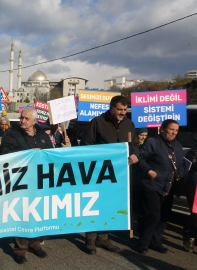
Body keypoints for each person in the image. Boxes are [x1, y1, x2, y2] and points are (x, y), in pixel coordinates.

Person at [81, 95, 139, 255]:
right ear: (111, 108)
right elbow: (87, 145)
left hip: (120, 173)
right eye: (119, 109)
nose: (122, 112)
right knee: (97, 204)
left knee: (110, 204)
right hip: (100, 171)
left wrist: (135, 154)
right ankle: (91, 238)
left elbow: (134, 145)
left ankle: (103, 237)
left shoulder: (129, 124)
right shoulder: (97, 122)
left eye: (124, 109)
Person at [0, 107, 51, 264]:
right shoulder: (12, 135)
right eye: (22, 118)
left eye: (26, 119)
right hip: (20, 181)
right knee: (22, 213)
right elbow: (4, 155)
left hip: (39, 180)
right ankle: (20, 249)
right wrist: (29, 152)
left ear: (34, 121)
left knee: (38, 212)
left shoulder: (43, 135)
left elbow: (51, 154)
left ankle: (35, 243)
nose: (22, 120)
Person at [137, 119, 184, 254]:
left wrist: (180, 176)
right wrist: (148, 171)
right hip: (152, 185)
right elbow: (140, 158)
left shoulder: (178, 146)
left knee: (163, 216)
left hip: (168, 186)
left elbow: (180, 165)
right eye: (171, 129)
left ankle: (155, 241)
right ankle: (143, 242)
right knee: (153, 215)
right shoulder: (153, 142)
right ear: (163, 129)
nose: (174, 132)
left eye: (176, 130)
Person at [183, 131, 197, 252]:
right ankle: (190, 235)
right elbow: (187, 172)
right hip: (194, 186)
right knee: (196, 215)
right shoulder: (192, 153)